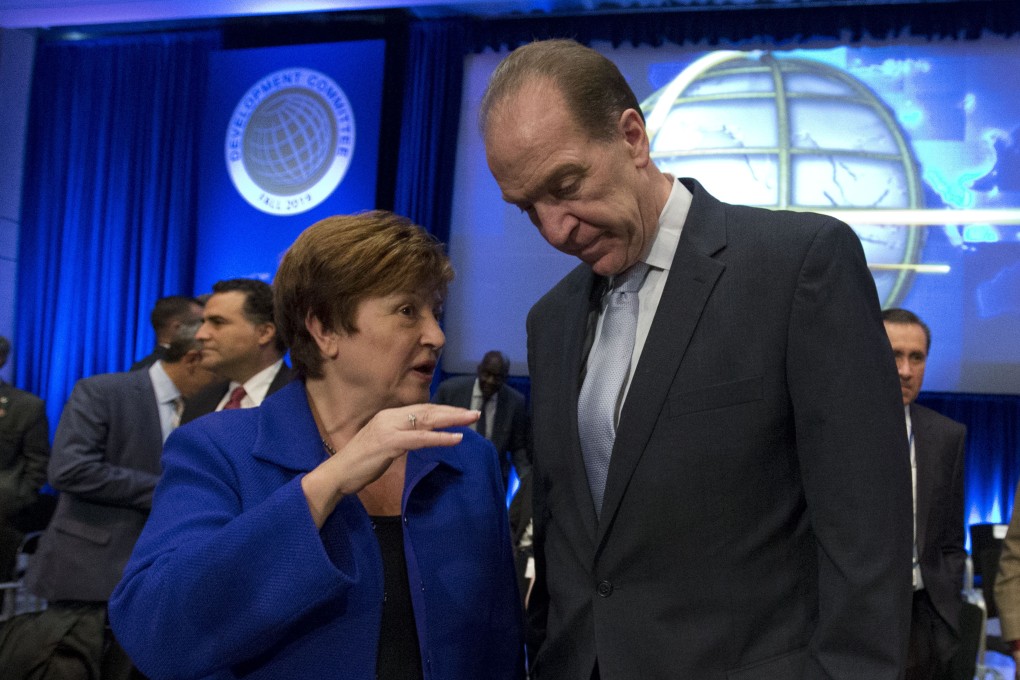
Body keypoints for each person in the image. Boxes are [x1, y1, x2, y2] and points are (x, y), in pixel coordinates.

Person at [480, 38, 912, 679]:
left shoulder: (799, 266)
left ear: (632, 137)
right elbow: (569, 542)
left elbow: (865, 538)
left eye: (565, 186)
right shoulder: (551, 319)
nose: (555, 231)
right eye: (527, 209)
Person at [109, 211, 524, 680]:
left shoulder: (468, 458)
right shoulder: (218, 449)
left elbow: (501, 646)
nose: (437, 335)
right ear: (324, 329)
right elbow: (156, 633)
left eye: (436, 312)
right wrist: (325, 484)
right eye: (408, 310)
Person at [18, 322, 215, 678]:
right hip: (87, 576)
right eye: (213, 371)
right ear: (192, 359)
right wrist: (166, 491)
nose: (219, 381)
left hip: (156, 581)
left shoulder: (205, 410)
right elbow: (69, 470)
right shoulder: (103, 391)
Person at [882, 308, 966, 679]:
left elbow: (950, 539)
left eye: (916, 357)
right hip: (856, 620)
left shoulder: (947, 436)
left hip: (923, 620)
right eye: (894, 355)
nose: (905, 370)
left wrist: (945, 599)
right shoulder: (833, 434)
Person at [181, 278, 293, 422]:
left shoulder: (305, 401)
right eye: (203, 322)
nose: (200, 335)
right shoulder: (197, 404)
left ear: (264, 333)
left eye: (217, 322)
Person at [433, 350, 531, 487]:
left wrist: (527, 479)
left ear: (505, 378)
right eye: (487, 374)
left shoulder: (515, 403)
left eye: (497, 377)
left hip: (492, 479)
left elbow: (518, 447)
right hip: (452, 474)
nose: (490, 381)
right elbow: (432, 429)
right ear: (479, 370)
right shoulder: (449, 392)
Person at [0, 336, 49, 582]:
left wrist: (14, 500)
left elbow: (38, 462)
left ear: (2, 360)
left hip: (3, 517)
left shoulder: (26, 406)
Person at [130, 295, 204, 371]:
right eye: (202, 322)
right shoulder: (150, 370)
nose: (206, 330)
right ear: (178, 328)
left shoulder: (142, 367)